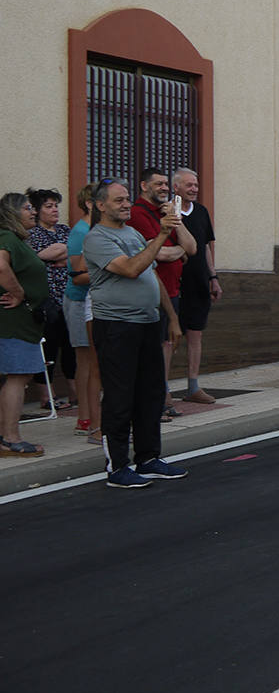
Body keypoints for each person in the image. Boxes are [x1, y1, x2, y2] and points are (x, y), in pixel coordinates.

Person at [84, 179, 187, 487]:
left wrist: (172, 317)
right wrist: (163, 234)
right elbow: (131, 268)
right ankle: (117, 468)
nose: (127, 204)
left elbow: (151, 276)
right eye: (119, 200)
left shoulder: (132, 233)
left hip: (147, 323)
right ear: (100, 205)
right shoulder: (96, 238)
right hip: (116, 326)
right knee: (120, 396)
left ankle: (148, 458)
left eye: (128, 199)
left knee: (150, 394)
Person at [128, 167, 196, 419]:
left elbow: (192, 247)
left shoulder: (165, 213)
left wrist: (176, 220)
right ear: (144, 186)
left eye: (166, 184)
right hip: (151, 292)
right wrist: (179, 251)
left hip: (172, 291)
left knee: (167, 346)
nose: (164, 188)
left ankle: (162, 398)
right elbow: (156, 253)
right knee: (155, 350)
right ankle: (155, 402)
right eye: (158, 184)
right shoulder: (137, 213)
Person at [0, 192, 49, 457]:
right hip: (14, 321)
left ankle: (5, 436)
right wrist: (18, 292)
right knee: (17, 376)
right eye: (28, 208)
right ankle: (10, 438)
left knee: (17, 376)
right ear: (12, 213)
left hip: (22, 322)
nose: (33, 212)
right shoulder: (7, 238)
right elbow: (0, 266)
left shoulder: (15, 239)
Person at [172, 168, 222, 404]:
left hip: (199, 282)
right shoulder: (168, 212)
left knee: (196, 334)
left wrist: (213, 278)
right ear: (176, 187)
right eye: (189, 185)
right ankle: (162, 390)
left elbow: (205, 247)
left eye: (196, 185)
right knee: (169, 338)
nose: (194, 189)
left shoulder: (201, 212)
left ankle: (193, 386)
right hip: (174, 284)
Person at [25, 187, 75, 410]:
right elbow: (38, 257)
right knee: (49, 347)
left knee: (72, 346)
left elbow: (79, 251)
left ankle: (75, 393)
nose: (55, 209)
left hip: (70, 296)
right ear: (37, 210)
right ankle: (47, 396)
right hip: (47, 300)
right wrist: (63, 252)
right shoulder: (32, 233)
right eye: (49, 206)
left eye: (56, 205)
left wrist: (60, 254)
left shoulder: (65, 229)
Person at [64, 183, 102, 442]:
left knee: (93, 359)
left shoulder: (96, 230)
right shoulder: (81, 231)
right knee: (85, 359)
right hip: (78, 300)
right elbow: (76, 273)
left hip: (93, 299)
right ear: (90, 204)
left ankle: (92, 414)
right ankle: (84, 416)